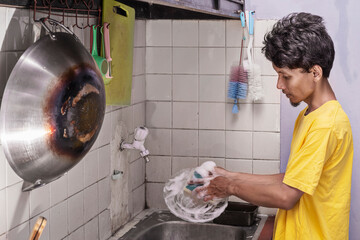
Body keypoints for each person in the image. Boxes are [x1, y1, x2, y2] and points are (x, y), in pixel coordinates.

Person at [194, 12, 353, 239]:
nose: (279, 85)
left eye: (285, 76)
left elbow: (287, 195)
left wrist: (230, 187)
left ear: (315, 72)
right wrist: (229, 175)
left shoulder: (326, 124)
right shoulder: (311, 115)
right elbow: (291, 179)